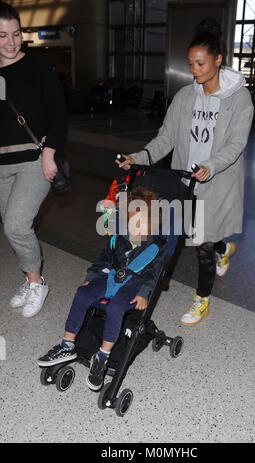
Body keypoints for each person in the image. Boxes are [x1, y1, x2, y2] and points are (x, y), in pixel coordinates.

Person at [116, 18, 254, 326]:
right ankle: (223, 247)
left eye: (201, 63)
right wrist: (136, 158)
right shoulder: (185, 97)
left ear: (218, 60)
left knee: (201, 244)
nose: (194, 71)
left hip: (217, 182)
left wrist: (211, 166)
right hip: (186, 181)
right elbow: (165, 138)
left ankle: (202, 300)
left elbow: (236, 143)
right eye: (190, 64)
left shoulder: (239, 99)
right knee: (194, 233)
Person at [38, 186, 167, 391]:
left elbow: (153, 275)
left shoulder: (154, 248)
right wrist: (91, 277)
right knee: (83, 294)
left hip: (134, 283)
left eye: (145, 224)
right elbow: (103, 259)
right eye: (134, 222)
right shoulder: (118, 239)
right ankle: (67, 345)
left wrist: (144, 293)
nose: (139, 228)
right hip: (110, 275)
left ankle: (102, 356)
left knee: (115, 308)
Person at [0, 2, 68, 317]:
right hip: (2, 167)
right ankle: (30, 280)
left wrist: (51, 152)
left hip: (34, 160)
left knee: (15, 224)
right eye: (2, 35)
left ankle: (37, 282)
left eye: (15, 34)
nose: (11, 42)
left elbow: (59, 113)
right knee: (14, 227)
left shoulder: (38, 68)